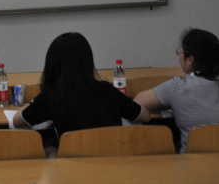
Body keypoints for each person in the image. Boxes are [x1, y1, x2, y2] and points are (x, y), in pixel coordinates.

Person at [135, 28, 219, 152]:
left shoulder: (177, 88)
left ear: (190, 60)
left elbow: (137, 103)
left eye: (180, 52)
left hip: (194, 164)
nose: (178, 55)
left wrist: (168, 108)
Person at [13, 32, 150, 146]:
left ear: (52, 65)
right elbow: (145, 116)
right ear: (88, 62)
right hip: (111, 163)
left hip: (71, 166)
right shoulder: (107, 90)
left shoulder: (50, 97)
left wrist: (30, 104)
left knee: (49, 149)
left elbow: (17, 121)